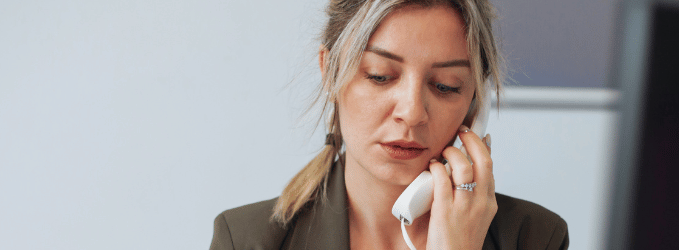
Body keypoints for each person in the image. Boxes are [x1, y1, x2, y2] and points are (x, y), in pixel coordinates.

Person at [210, 0, 568, 249]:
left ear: (474, 101)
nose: (412, 113)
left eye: (446, 86)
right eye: (380, 76)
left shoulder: (534, 237)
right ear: (330, 72)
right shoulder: (247, 239)